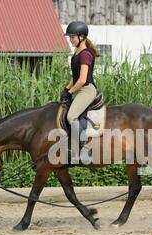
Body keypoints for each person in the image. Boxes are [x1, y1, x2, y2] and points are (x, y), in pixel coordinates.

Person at [60, 21, 100, 162]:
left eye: (72, 37)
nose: (70, 40)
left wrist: (70, 92)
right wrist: (66, 88)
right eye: (70, 37)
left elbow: (82, 79)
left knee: (71, 117)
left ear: (81, 37)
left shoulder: (85, 55)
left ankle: (84, 149)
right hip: (80, 89)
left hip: (87, 90)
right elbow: (75, 76)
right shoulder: (77, 53)